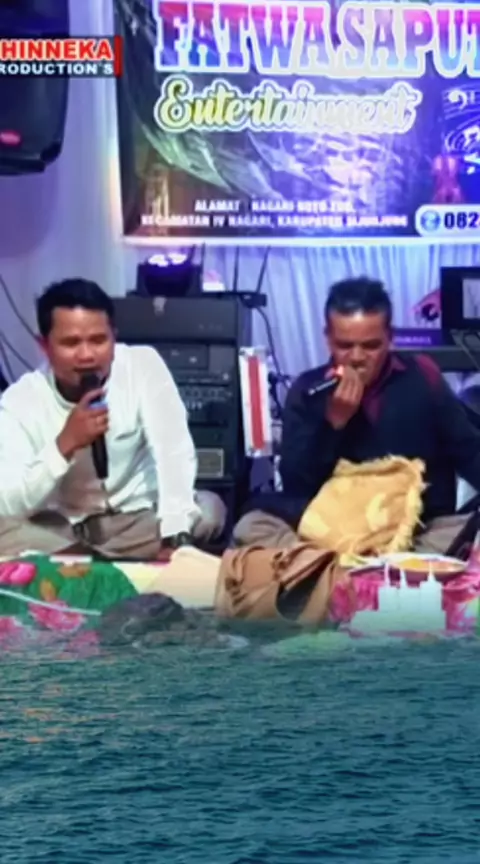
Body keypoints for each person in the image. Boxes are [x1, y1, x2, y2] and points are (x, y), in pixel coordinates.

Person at [233, 277, 480, 552]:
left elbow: (469, 452)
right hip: (334, 531)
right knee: (252, 526)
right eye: (344, 345)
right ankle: (349, 566)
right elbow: (297, 486)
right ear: (328, 338)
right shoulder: (308, 390)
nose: (357, 357)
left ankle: (339, 569)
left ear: (390, 337)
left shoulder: (422, 375)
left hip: (416, 530)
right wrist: (334, 424)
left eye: (371, 345)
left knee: (465, 531)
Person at [0, 279, 226, 559]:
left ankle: (85, 565)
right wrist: (63, 445)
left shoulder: (142, 366)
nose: (86, 355)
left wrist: (174, 534)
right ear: (44, 346)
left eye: (98, 340)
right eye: (71, 343)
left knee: (209, 510)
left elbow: (172, 449)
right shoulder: (20, 400)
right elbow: (9, 502)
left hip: (136, 522)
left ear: (114, 337)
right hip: (62, 529)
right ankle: (92, 560)